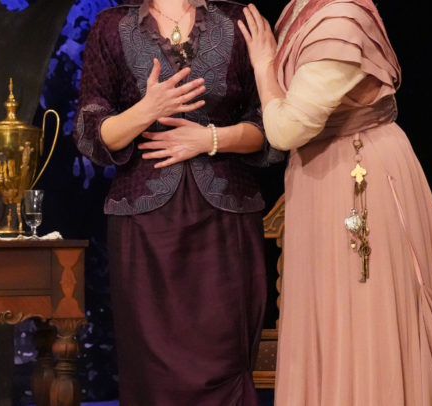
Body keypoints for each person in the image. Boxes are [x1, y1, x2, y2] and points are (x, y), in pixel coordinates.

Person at [238, 1, 432, 405]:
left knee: (363, 311)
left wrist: (263, 66)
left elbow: (285, 130)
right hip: (324, 175)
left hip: (354, 176)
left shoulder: (340, 19)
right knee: (333, 316)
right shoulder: (307, 7)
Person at [74, 1, 283, 404]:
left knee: (225, 360)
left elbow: (273, 125)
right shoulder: (111, 26)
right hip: (145, 229)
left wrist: (211, 139)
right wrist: (146, 110)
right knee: (152, 375)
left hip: (225, 224)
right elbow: (89, 132)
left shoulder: (240, 21)